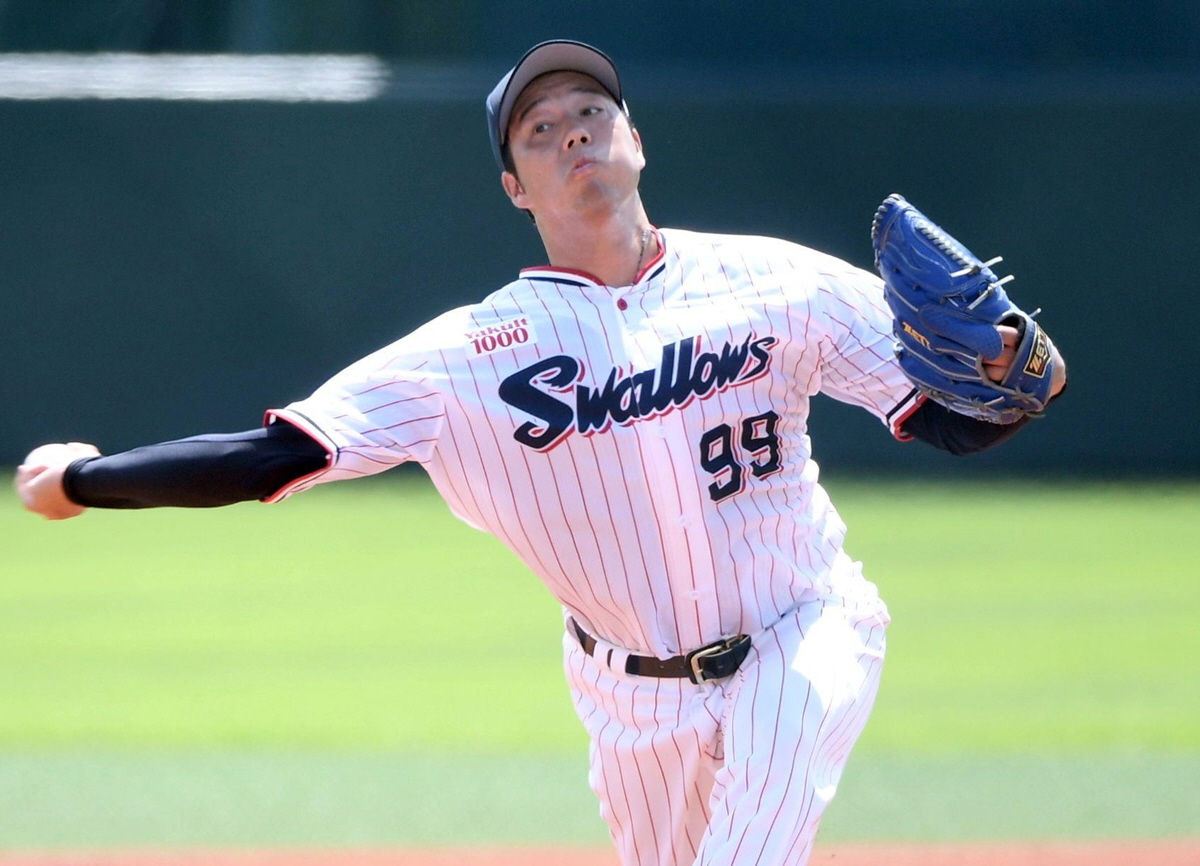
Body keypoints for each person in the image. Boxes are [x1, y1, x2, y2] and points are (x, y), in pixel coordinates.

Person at [17, 39, 1066, 866]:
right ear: (515, 187)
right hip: (632, 699)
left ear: (636, 140)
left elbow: (954, 418)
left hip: (805, 631)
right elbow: (270, 458)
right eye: (539, 128)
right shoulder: (466, 358)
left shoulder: (780, 282)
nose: (572, 134)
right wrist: (80, 480)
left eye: (590, 112)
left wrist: (1021, 372)